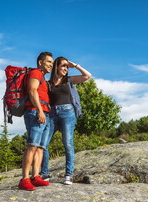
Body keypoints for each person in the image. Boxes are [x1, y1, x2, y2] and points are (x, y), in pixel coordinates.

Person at [41, 57, 92, 185]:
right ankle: (45, 173)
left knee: (68, 144)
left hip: (68, 112)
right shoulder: (48, 83)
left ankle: (69, 174)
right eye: (63, 66)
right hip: (52, 114)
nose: (65, 69)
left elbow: (87, 76)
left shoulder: (69, 80)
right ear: (56, 67)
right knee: (43, 143)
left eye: (66, 67)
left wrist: (75, 65)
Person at [18, 51, 54, 191]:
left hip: (45, 113)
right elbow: (32, 91)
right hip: (35, 112)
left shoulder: (43, 77)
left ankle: (36, 176)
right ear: (40, 62)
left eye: (52, 62)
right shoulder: (36, 72)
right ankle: (25, 179)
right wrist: (39, 110)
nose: (51, 65)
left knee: (40, 148)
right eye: (49, 62)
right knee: (32, 145)